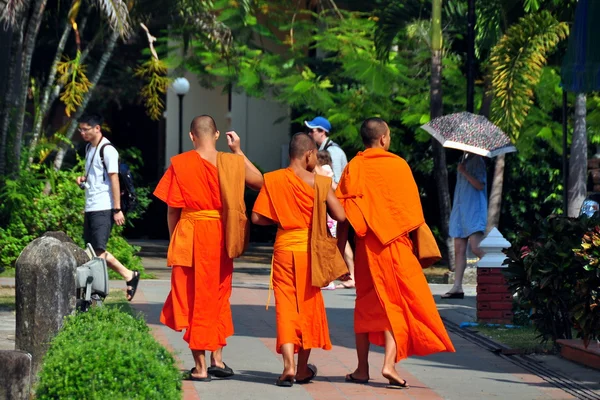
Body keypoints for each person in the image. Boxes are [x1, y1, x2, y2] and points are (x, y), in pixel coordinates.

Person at [336, 118, 455, 389]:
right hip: (397, 246)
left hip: (368, 247)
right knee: (397, 303)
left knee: (366, 304)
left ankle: (362, 369)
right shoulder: (399, 165)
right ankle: (389, 363)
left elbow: (344, 214)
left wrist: (339, 252)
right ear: (383, 139)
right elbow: (412, 210)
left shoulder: (354, 167)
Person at [153, 115, 263, 382]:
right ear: (216, 135)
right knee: (217, 295)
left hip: (190, 234)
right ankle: (218, 359)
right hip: (221, 236)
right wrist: (238, 150)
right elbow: (260, 182)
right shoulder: (231, 162)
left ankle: (201, 367)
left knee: (194, 298)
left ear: (192, 136)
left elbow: (172, 210)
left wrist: (174, 239)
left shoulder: (180, 164)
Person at [251, 133, 347, 387]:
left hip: (284, 248)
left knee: (285, 307)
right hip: (310, 251)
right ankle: (303, 368)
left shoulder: (273, 179)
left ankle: (288, 367)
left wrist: (282, 215)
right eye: (315, 155)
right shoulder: (318, 183)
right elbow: (340, 214)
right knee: (308, 307)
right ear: (308, 155)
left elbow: (257, 218)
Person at [75, 114, 140, 301]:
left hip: (103, 206)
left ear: (97, 128)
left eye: (85, 129)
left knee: (98, 251)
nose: (82, 133)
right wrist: (83, 179)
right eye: (81, 129)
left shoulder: (108, 150)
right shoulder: (89, 148)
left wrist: (117, 209)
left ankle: (97, 293)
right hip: (91, 205)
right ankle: (129, 275)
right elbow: (97, 176)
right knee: (93, 250)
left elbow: (114, 179)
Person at [305, 116, 355, 288]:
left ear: (322, 132)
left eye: (313, 130)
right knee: (341, 239)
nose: (310, 133)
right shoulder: (326, 149)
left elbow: (336, 182)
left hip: (334, 201)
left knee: (337, 239)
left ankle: (344, 274)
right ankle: (348, 274)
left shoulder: (332, 151)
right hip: (332, 200)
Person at [443, 153, 487, 299]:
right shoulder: (463, 158)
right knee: (459, 250)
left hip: (473, 209)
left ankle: (499, 277)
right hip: (460, 210)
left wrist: (464, 171)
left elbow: (480, 185)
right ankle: (457, 287)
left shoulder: (478, 160)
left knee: (476, 248)